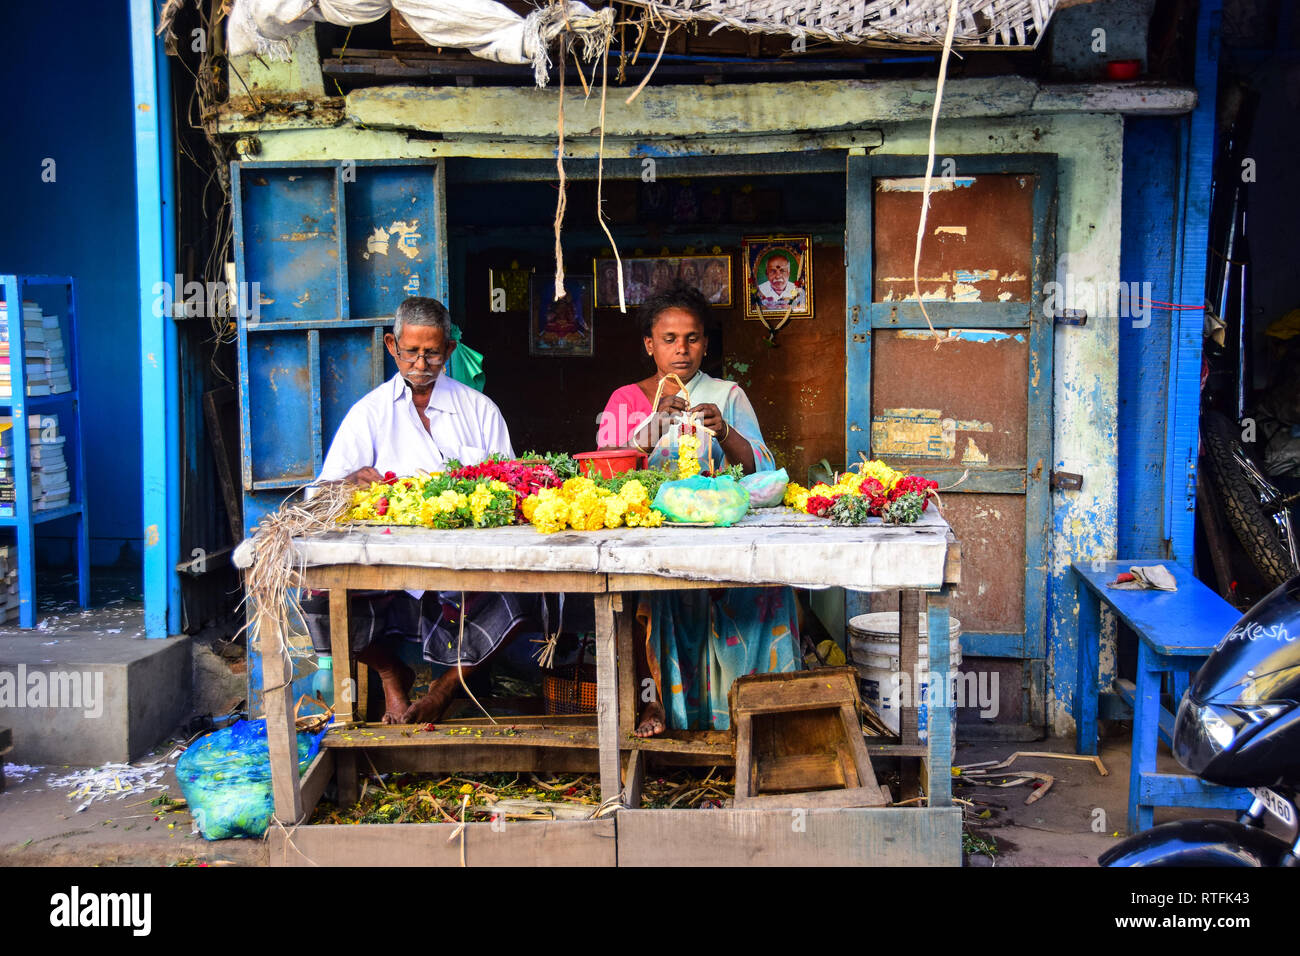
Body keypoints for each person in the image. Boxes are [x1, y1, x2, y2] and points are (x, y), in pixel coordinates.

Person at [308, 296, 535, 724]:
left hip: (466, 564)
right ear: (392, 346)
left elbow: (512, 490)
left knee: (525, 595)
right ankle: (391, 674)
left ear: (449, 350)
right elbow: (320, 494)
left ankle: (445, 688)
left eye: (432, 352)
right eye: (411, 351)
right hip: (388, 564)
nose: (421, 362)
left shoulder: (479, 410)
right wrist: (349, 481)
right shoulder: (369, 414)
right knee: (319, 597)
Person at [597, 284, 801, 735]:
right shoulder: (625, 401)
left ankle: (754, 713)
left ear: (706, 343)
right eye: (669, 339)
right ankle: (659, 707)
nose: (681, 349)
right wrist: (651, 430)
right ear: (650, 344)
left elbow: (760, 468)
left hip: (724, 532)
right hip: (657, 536)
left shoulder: (727, 394)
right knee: (652, 608)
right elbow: (606, 473)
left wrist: (724, 430)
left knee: (761, 594)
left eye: (692, 338)